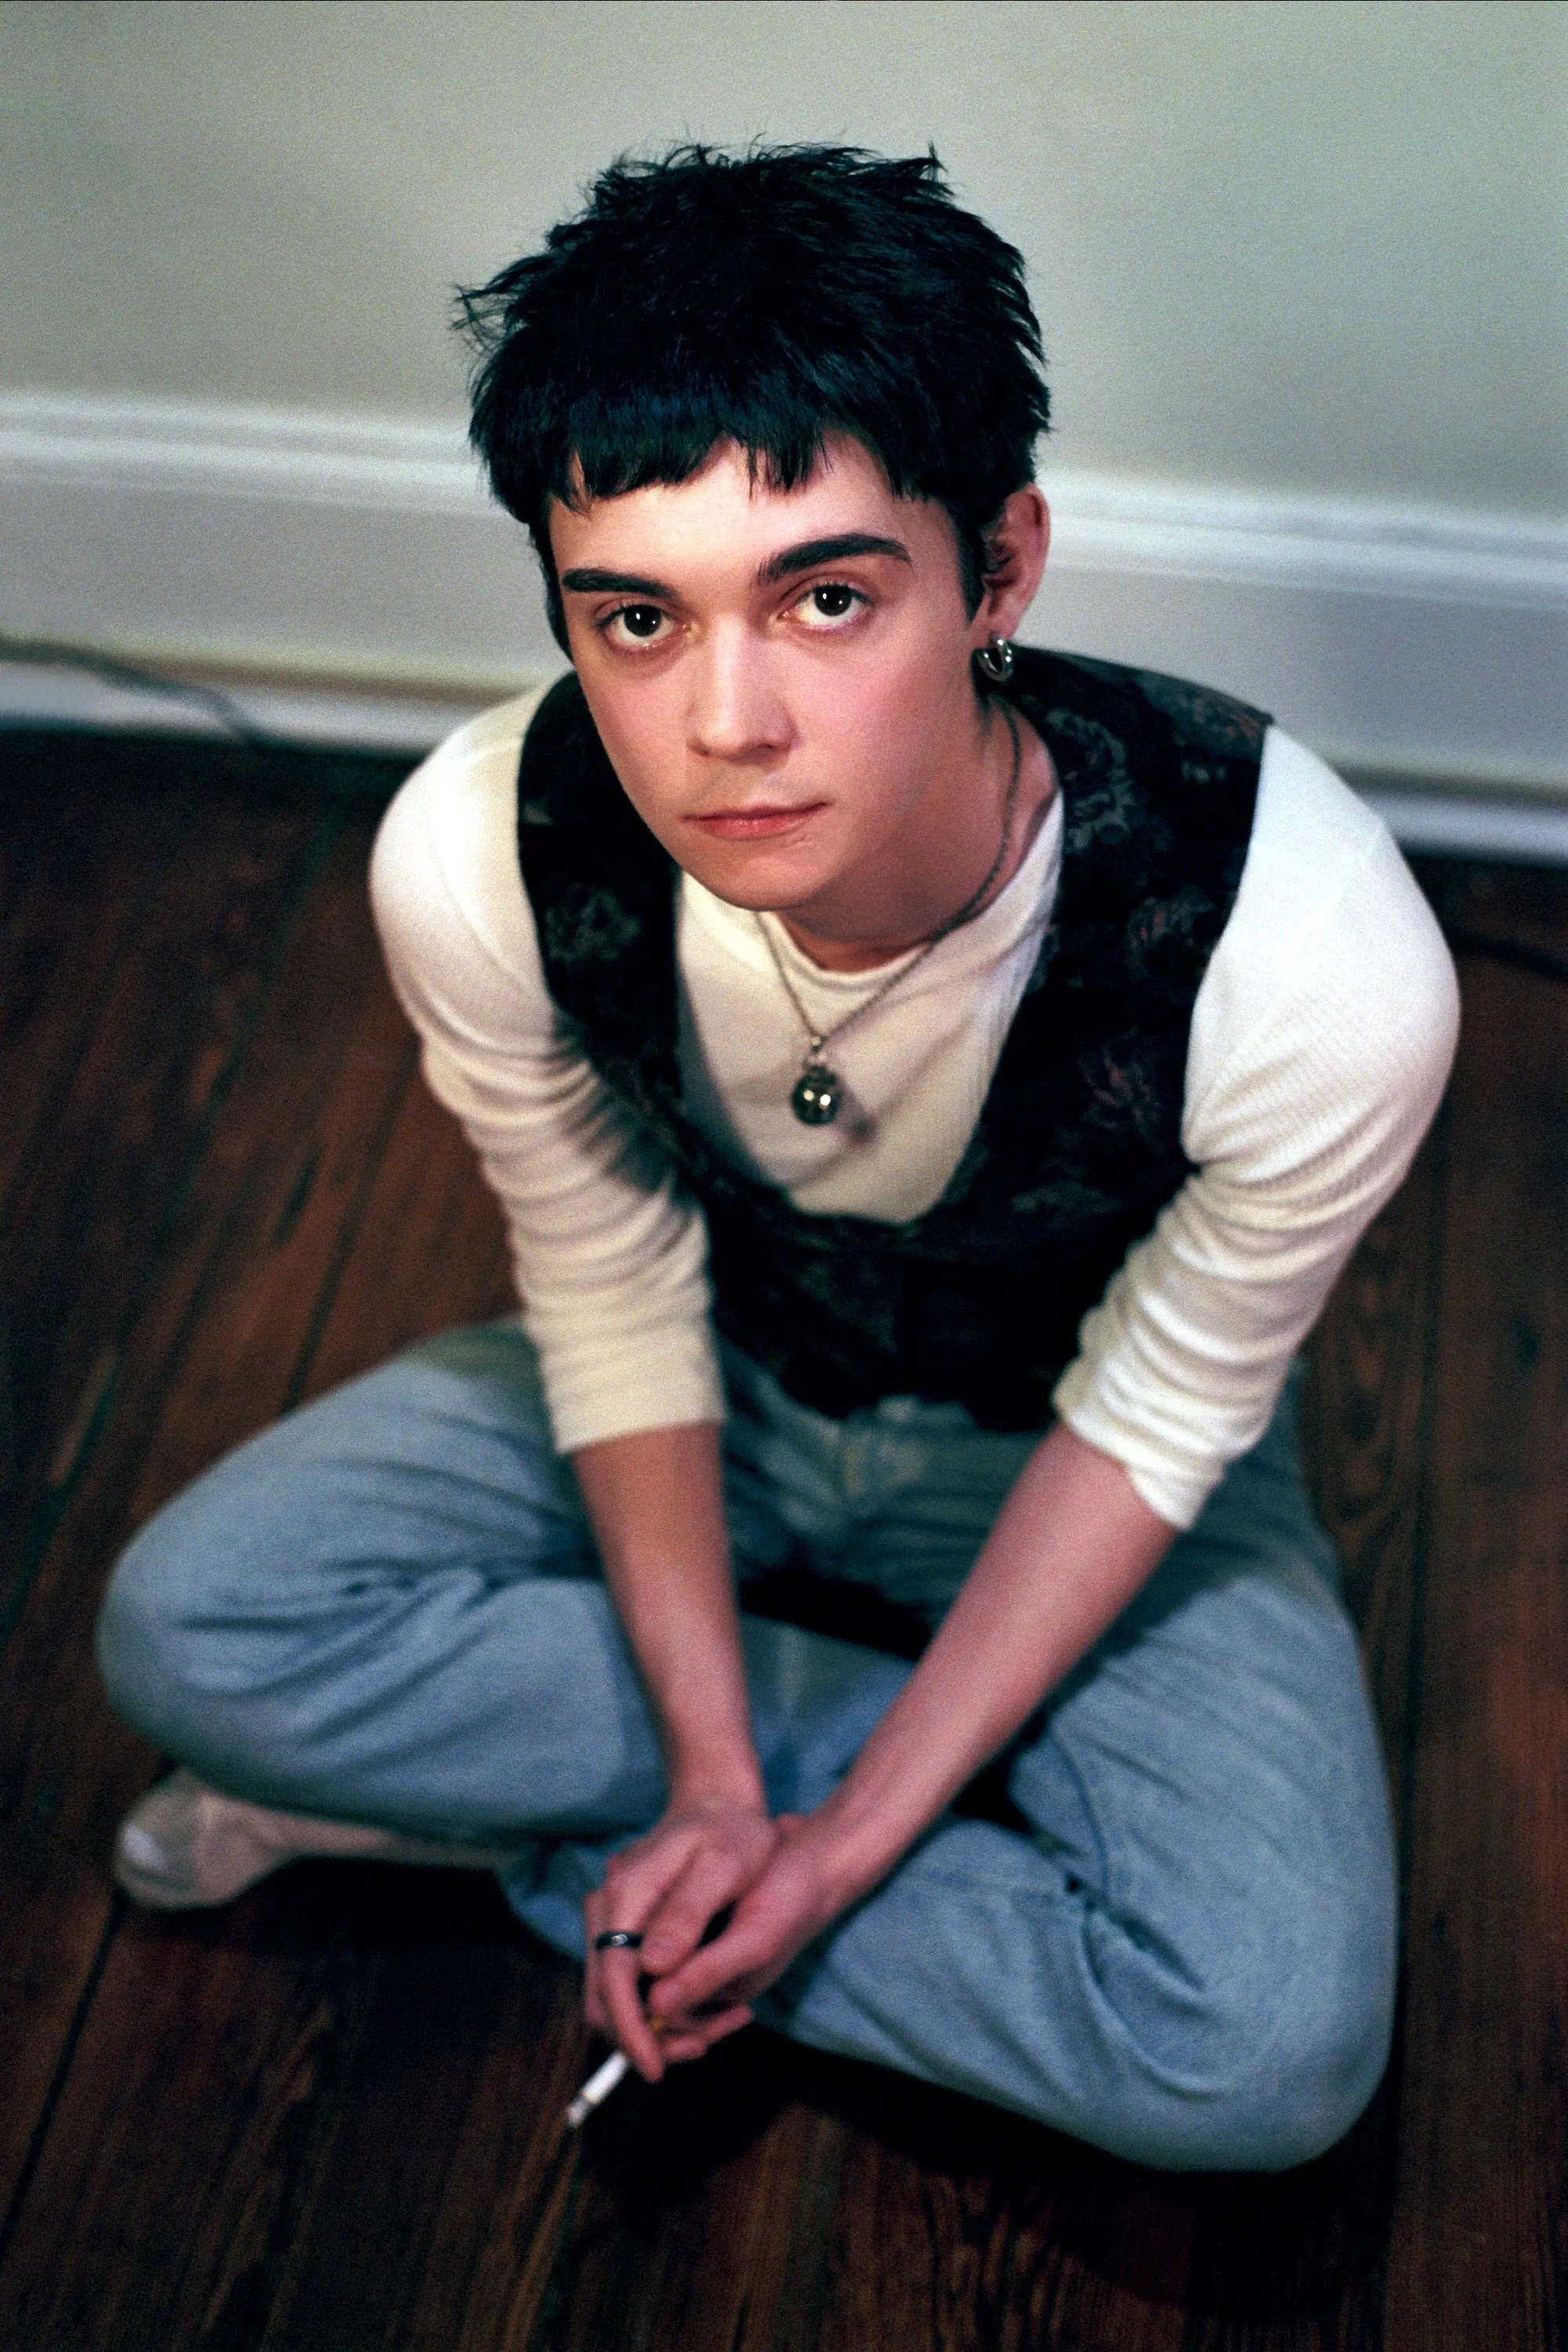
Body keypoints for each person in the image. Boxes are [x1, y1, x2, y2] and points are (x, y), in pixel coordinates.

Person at [96, 145, 1458, 2172]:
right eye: (636, 618)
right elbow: (609, 1284)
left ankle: (496, 1823)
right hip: (716, 1392)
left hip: (1069, 1444)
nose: (726, 721)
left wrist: (835, 1844)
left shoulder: (1313, 955)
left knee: (1258, 2051)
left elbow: (1165, 1412)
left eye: (826, 598)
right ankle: (864, 1787)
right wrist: (722, 1780)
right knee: (188, 1628)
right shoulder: (478, 851)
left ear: (1000, 570)